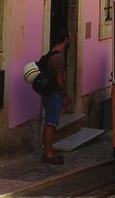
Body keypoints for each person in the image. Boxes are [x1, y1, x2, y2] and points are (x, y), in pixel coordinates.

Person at [41, 29, 69, 165]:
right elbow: (59, 80)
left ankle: (47, 151)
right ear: (66, 40)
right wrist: (65, 95)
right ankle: (49, 154)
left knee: (49, 123)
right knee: (51, 124)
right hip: (53, 94)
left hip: (48, 94)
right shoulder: (59, 57)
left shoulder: (50, 54)